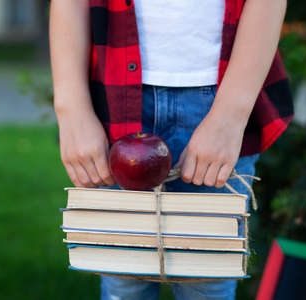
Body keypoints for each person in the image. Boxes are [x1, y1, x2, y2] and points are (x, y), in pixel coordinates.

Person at [49, 0, 293, 299]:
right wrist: (71, 108)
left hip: (217, 99)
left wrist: (230, 115)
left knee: (207, 286)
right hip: (113, 98)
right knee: (123, 284)